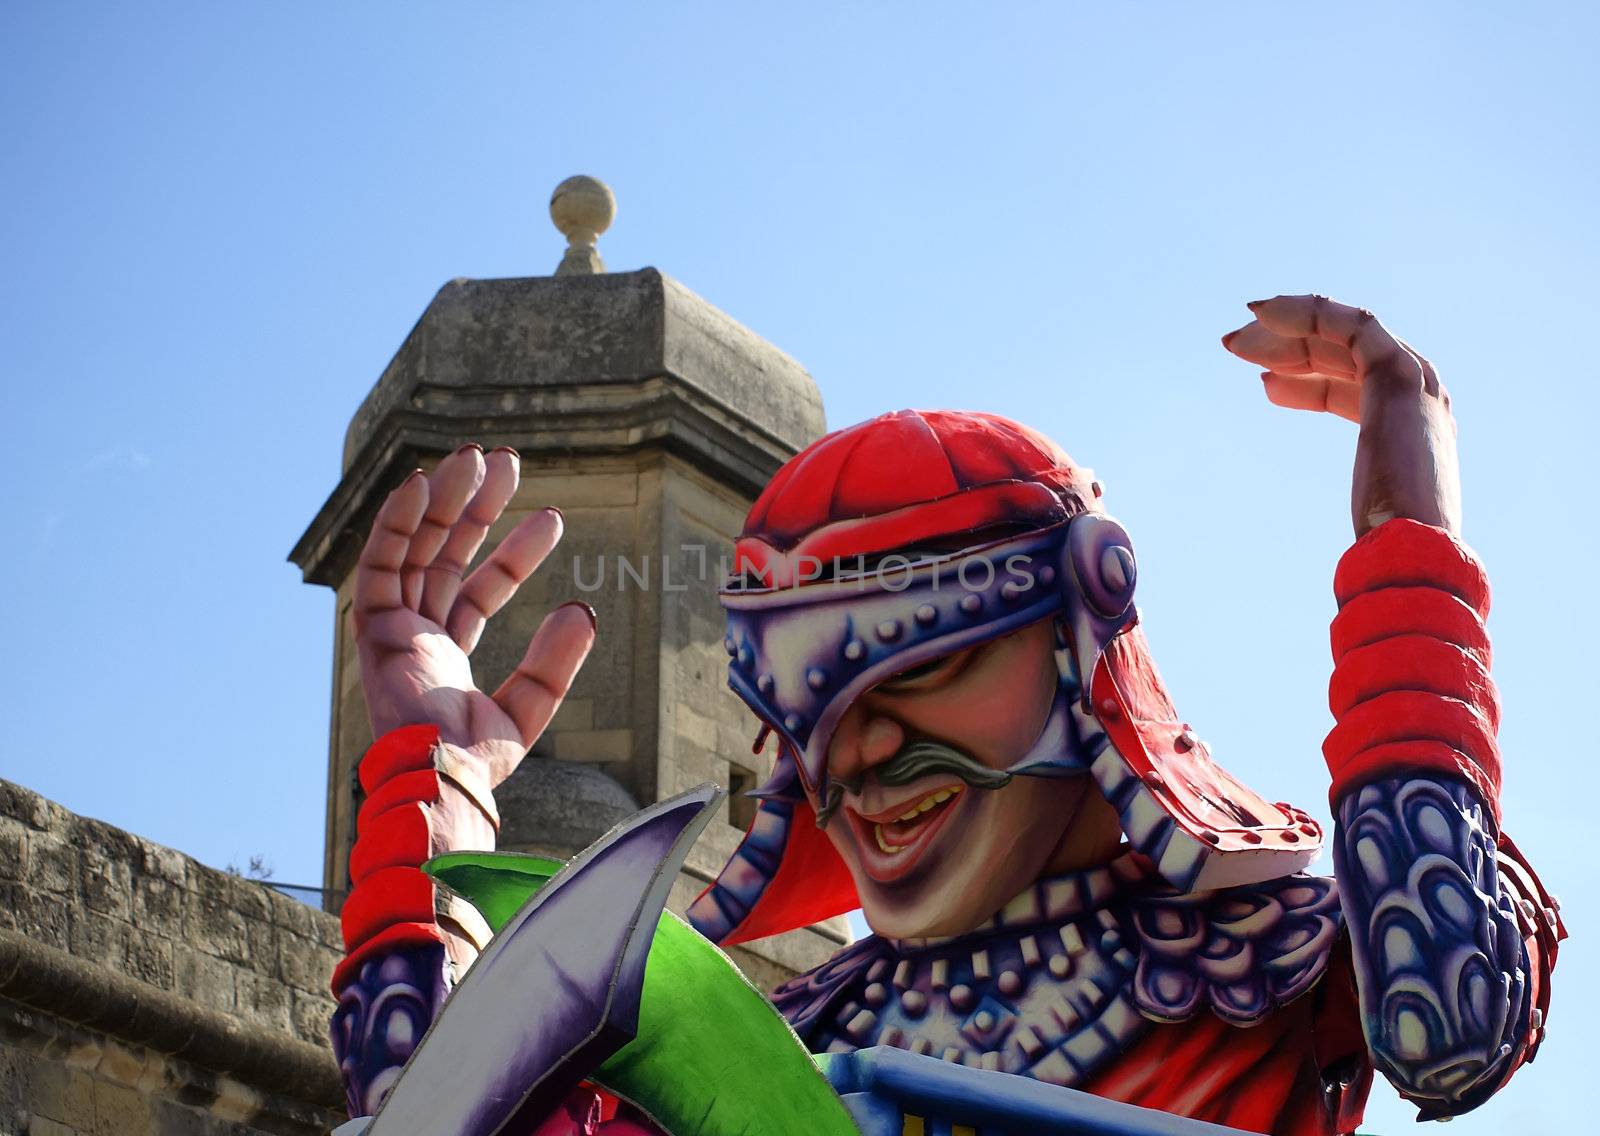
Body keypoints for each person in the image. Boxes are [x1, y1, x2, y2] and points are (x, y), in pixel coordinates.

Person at [330, 296, 1562, 1135]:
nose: (850, 758)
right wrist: (431, 779)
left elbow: (1447, 1006)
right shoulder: (780, 1034)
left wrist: (1410, 540)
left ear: (1078, 637)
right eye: (803, 706)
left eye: (911, 668)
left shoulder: (1272, 946)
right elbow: (439, 1115)